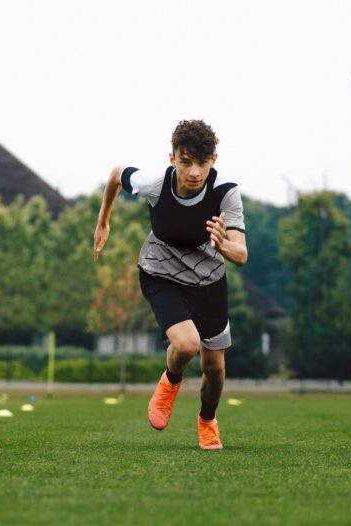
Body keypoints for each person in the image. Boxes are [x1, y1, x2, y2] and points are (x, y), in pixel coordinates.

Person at [93, 119, 247, 449]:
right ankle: (170, 381)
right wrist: (103, 221)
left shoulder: (225, 193)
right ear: (172, 157)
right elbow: (116, 174)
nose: (194, 172)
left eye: (202, 163)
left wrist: (222, 246)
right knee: (187, 344)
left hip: (208, 279)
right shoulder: (155, 184)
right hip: (160, 272)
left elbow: (241, 253)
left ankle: (207, 420)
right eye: (186, 161)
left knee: (214, 367)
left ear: (214, 160)